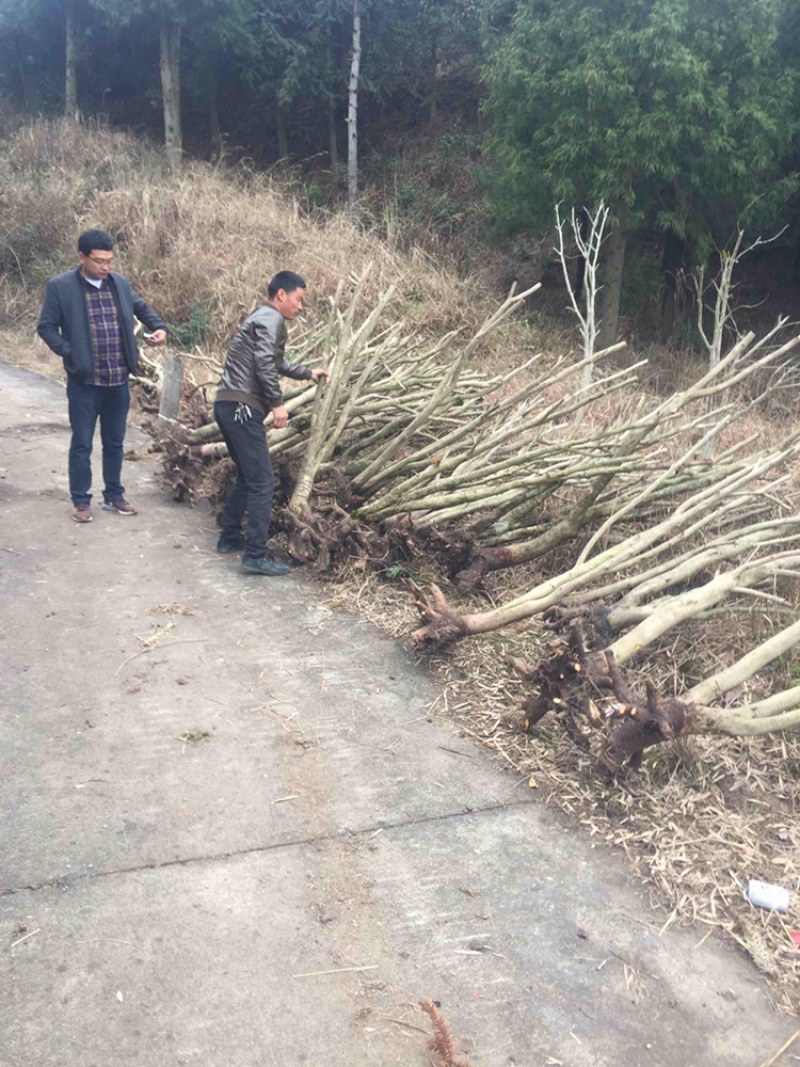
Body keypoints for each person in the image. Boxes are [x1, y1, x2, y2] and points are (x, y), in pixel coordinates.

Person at [37, 229, 167, 523]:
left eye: (109, 260)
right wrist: (71, 353)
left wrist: (158, 327)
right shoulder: (61, 287)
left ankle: (114, 495)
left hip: (118, 380)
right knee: (82, 442)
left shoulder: (118, 283)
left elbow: (141, 307)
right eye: (98, 261)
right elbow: (46, 327)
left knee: (115, 441)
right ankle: (81, 501)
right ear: (81, 257)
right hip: (84, 383)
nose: (105, 267)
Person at [214, 270, 329, 576]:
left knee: (247, 476)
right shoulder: (270, 318)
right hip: (242, 407)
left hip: (227, 404)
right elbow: (265, 363)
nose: (300, 306)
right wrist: (278, 404)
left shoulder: (260, 319)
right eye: (299, 299)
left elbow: (275, 362)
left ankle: (229, 538)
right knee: (263, 481)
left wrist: (308, 373)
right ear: (282, 295)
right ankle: (255, 555)